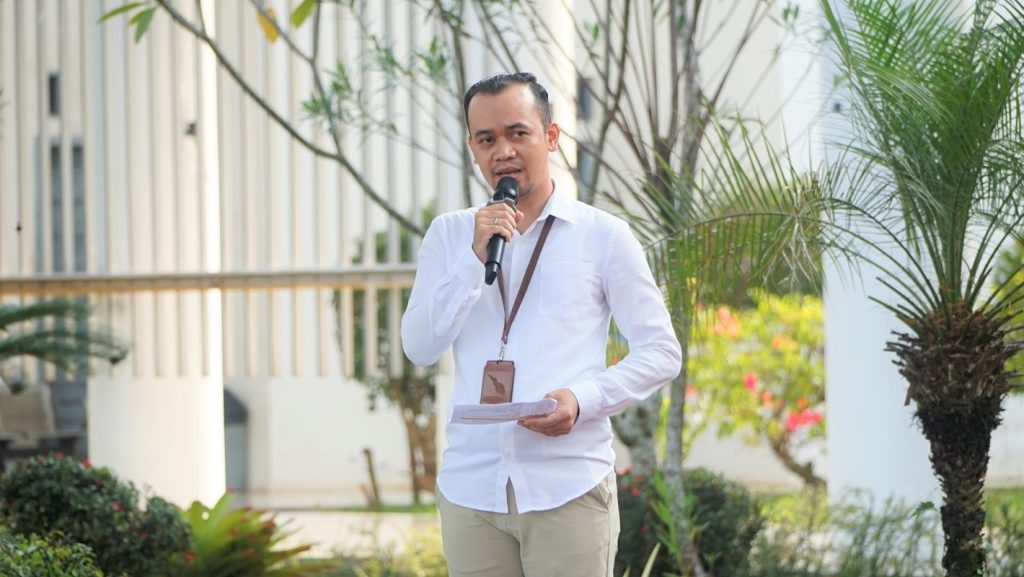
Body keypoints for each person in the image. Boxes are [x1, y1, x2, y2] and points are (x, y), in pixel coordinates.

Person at [400, 72, 681, 577]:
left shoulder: (603, 236)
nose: (503, 151)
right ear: (473, 149)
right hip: (471, 491)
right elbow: (420, 347)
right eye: (487, 139)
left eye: (518, 133)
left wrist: (583, 399)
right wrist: (472, 259)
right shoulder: (450, 235)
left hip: (567, 485)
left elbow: (661, 351)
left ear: (550, 136)